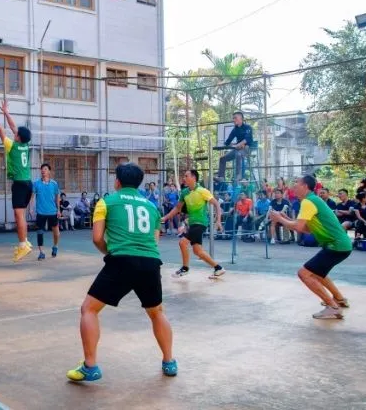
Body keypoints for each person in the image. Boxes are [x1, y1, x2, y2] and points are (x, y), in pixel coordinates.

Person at [66, 163, 177, 381]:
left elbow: (97, 238)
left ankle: (90, 366)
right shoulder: (152, 207)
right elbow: (154, 241)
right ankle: (169, 361)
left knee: (89, 309)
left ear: (117, 182)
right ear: (139, 183)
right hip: (150, 263)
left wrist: (110, 251)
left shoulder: (106, 202)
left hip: (122, 261)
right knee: (157, 312)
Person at [269, 175, 352, 319]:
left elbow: (299, 228)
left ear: (305, 186)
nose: (294, 187)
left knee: (304, 273)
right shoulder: (313, 200)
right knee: (318, 273)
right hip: (339, 245)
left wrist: (279, 219)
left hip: (335, 245)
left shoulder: (308, 202)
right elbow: (308, 228)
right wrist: (287, 219)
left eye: (297, 184)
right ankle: (339, 299)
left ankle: (333, 307)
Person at [0, 100, 32, 260]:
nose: (14, 133)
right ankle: (25, 242)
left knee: (18, 216)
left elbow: (0, 129)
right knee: (21, 215)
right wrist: (5, 112)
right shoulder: (26, 144)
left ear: (18, 137)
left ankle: (23, 244)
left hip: (19, 184)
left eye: (16, 133)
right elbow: (13, 128)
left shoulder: (12, 146)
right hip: (28, 183)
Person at [161, 169, 225, 279]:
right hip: (192, 223)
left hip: (200, 223)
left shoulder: (202, 191)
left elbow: (217, 204)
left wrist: (218, 220)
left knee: (183, 242)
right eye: (184, 176)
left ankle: (185, 268)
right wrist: (165, 218)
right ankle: (218, 268)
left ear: (194, 178)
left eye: (186, 176)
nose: (184, 178)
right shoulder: (184, 192)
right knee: (197, 251)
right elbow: (177, 208)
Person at [32, 163, 61, 261]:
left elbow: (57, 197)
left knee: (56, 233)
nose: (43, 171)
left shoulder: (54, 184)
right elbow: (32, 197)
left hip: (53, 212)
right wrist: (31, 208)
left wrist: (58, 210)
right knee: (40, 232)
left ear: (49, 171)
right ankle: (41, 252)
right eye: (42, 169)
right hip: (40, 212)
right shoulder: (36, 183)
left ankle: (55, 246)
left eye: (45, 169)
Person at [216, 111, 254, 181]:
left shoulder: (248, 127)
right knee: (222, 158)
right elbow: (228, 141)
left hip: (247, 148)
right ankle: (221, 177)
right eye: (233, 118)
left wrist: (239, 144)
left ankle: (238, 176)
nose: (234, 120)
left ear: (241, 118)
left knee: (238, 154)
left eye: (235, 118)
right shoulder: (235, 129)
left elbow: (247, 139)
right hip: (237, 149)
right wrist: (221, 145)